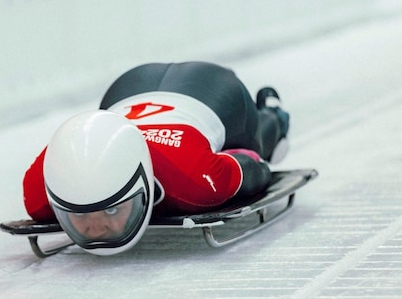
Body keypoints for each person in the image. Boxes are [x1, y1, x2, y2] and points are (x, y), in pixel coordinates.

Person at [22, 61, 289, 255]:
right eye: (78, 216)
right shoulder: (41, 185)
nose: (96, 229)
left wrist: (232, 164)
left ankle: (273, 113)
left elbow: (255, 164)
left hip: (216, 89)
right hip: (129, 85)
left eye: (111, 209)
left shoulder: (195, 181)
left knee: (261, 142)